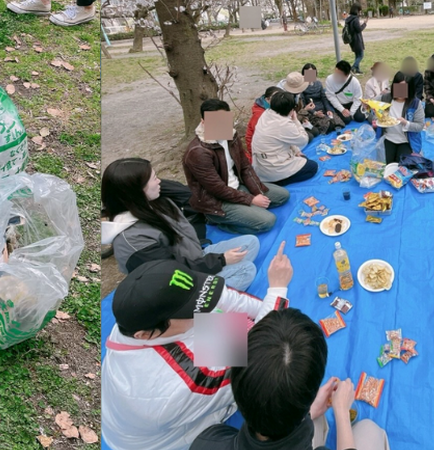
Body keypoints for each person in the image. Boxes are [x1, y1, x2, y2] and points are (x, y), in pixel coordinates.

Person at [102, 255, 295, 450]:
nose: (201, 311)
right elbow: (258, 361)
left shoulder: (138, 319)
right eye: (189, 311)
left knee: (225, 324)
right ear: (145, 335)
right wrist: (277, 292)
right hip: (166, 439)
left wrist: (267, 305)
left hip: (144, 415)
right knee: (265, 380)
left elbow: (223, 298)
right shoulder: (178, 385)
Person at [191, 308, 390, 450]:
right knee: (369, 430)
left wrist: (310, 411)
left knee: (317, 421)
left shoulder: (206, 441)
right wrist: (342, 414)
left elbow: (207, 337)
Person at [101, 158, 259, 290]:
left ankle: (222, 278)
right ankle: (204, 306)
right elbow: (172, 273)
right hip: (180, 282)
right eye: (154, 178)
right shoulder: (133, 240)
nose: (159, 181)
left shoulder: (155, 202)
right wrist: (221, 261)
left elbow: (188, 197)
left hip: (195, 257)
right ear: (137, 191)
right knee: (246, 270)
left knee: (251, 242)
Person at [183, 99, 290, 235]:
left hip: (237, 187)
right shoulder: (198, 152)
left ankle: (247, 209)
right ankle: (216, 219)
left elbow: (245, 167)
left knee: (282, 196)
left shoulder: (231, 136)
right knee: (267, 221)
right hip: (216, 201)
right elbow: (217, 188)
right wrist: (250, 199)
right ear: (203, 122)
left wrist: (257, 191)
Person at [251, 92, 318, 187]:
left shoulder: (266, 114)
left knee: (303, 157)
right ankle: (278, 181)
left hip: (263, 164)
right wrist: (295, 120)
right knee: (312, 167)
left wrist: (296, 151)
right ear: (291, 109)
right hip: (272, 167)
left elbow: (285, 137)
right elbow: (304, 140)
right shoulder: (284, 123)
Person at [374, 72, 425, 164]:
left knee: (402, 165)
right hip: (388, 137)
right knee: (385, 164)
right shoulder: (384, 98)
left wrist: (406, 123)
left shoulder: (415, 103)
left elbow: (420, 126)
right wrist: (368, 109)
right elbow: (371, 107)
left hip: (406, 140)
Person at [245, 86, 286, 163]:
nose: (278, 101)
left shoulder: (273, 108)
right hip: (261, 152)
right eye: (275, 98)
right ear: (267, 99)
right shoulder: (260, 115)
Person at [324, 61, 366, 126]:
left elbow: (358, 98)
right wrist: (342, 109)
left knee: (360, 118)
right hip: (339, 103)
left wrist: (351, 112)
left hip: (352, 103)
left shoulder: (354, 82)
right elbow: (331, 97)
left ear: (347, 75)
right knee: (346, 120)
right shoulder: (329, 79)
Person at [344, 4, 368, 74]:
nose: (360, 12)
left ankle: (357, 69)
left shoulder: (349, 19)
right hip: (357, 40)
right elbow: (359, 29)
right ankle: (353, 67)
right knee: (361, 55)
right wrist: (364, 23)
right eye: (359, 11)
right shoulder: (355, 19)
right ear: (357, 11)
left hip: (352, 40)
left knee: (357, 55)